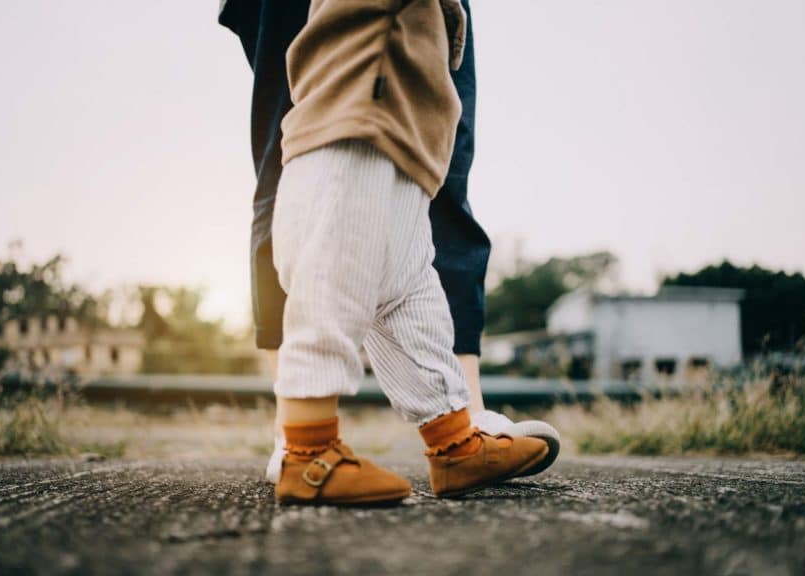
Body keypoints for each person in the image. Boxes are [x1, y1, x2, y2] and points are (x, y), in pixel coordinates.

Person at [218, 0, 559, 488]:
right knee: (330, 294)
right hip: (353, 135)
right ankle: (306, 450)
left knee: (412, 302)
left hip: (401, 151)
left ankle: (453, 441)